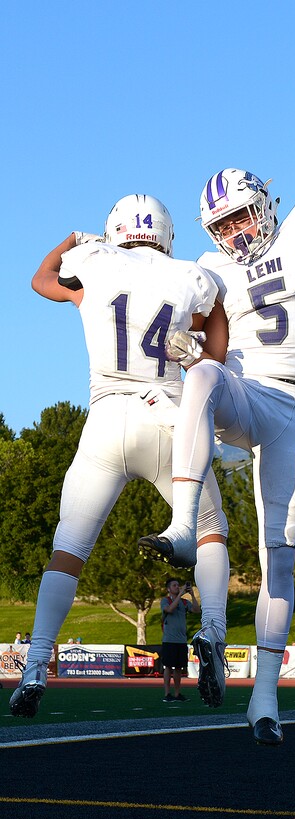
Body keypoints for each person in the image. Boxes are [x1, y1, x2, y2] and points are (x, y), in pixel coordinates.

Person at [138, 26, 295, 747]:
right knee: (203, 372)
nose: (234, 230)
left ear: (261, 203)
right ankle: (183, 523)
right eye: (222, 222)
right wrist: (181, 350)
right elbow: (211, 350)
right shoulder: (215, 268)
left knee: (279, 556)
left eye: (239, 213)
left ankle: (263, 699)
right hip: (248, 388)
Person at [9, 195, 231, 719]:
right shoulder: (190, 274)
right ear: (167, 234)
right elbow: (216, 349)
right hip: (169, 417)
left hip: (107, 418)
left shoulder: (95, 264)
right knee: (210, 531)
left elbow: (41, 281)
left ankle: (37, 663)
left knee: (68, 551)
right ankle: (215, 637)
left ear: (114, 231)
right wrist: (196, 347)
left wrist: (71, 240)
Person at [161, 577, 200, 701]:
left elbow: (196, 610)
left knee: (179, 668)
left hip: (181, 640)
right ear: (168, 589)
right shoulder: (165, 600)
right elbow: (170, 609)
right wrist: (180, 596)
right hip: (169, 640)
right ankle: (167, 694)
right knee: (168, 667)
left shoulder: (184, 602)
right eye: (174, 585)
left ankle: (177, 694)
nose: (177, 587)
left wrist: (192, 595)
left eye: (178, 585)